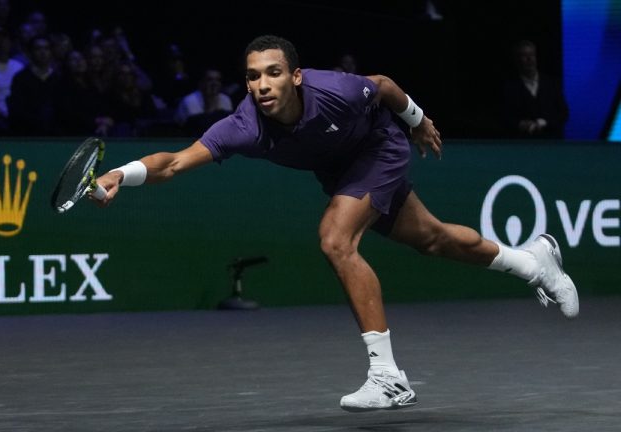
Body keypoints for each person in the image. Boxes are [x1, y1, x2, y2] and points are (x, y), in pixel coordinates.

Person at [91, 35, 579, 411]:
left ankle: (388, 378)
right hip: (341, 172)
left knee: (335, 239)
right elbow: (174, 163)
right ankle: (534, 264)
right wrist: (121, 174)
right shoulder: (242, 126)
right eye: (253, 76)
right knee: (433, 239)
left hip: (379, 149)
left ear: (296, 77)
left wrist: (417, 120)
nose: (262, 85)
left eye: (273, 73)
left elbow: (384, 85)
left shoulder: (336, 90)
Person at [501, 40, 568, 139]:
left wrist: (542, 123)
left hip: (551, 144)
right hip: (521, 145)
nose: (529, 59)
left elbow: (563, 113)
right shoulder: (509, 87)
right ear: (516, 59)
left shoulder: (552, 84)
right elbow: (504, 117)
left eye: (532, 55)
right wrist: (520, 124)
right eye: (524, 55)